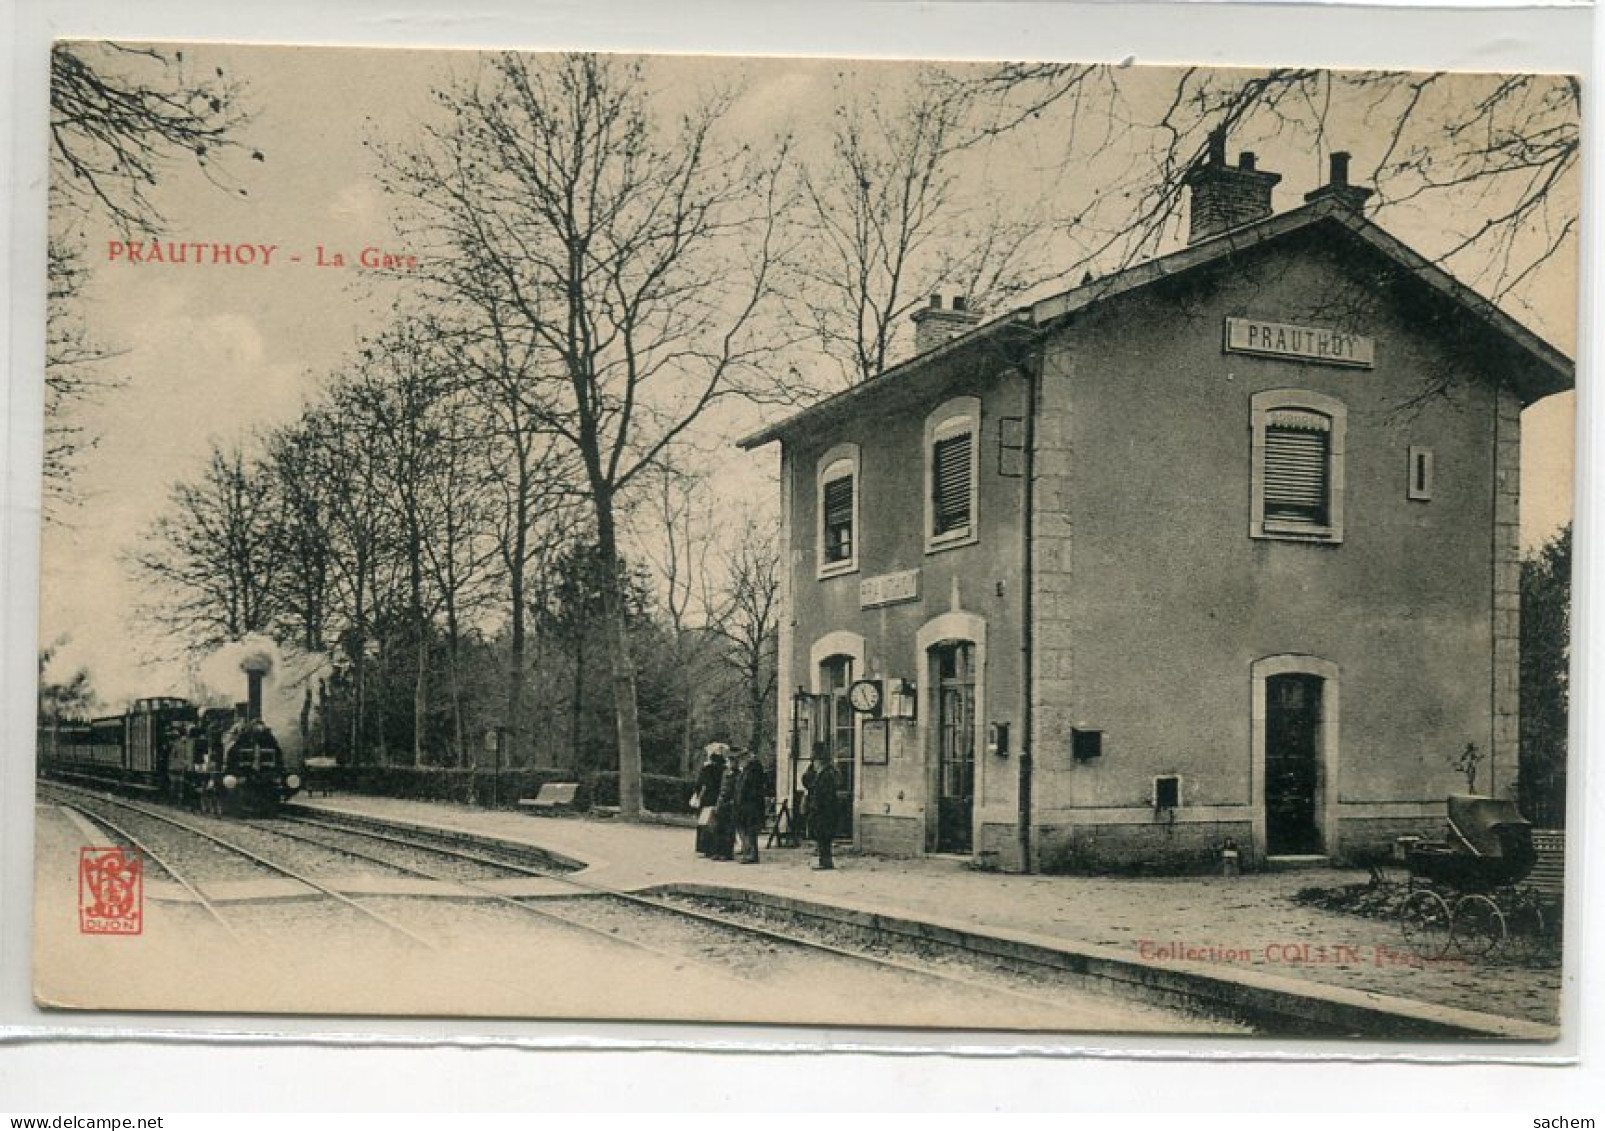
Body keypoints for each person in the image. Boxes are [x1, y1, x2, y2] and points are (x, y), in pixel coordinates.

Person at [805, 747, 839, 870]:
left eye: (814, 761)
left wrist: (817, 806)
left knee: (824, 837)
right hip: (823, 811)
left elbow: (824, 795)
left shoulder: (826, 775)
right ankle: (824, 860)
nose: (813, 764)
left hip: (824, 811)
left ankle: (825, 862)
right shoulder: (823, 773)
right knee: (822, 837)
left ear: (819, 761)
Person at [733, 747, 768, 864]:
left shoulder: (752, 770)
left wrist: (744, 799)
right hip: (746, 805)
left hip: (750, 806)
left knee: (750, 830)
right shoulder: (747, 770)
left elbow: (750, 789)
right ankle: (747, 851)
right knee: (746, 829)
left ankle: (751, 854)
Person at [691, 744, 727, 857]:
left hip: (708, 798)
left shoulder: (707, 768)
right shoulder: (724, 769)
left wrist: (698, 795)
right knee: (717, 823)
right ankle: (718, 848)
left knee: (705, 823)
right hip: (719, 797)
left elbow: (701, 784)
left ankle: (706, 848)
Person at [709, 747, 740, 861]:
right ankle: (717, 851)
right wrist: (718, 803)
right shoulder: (725, 773)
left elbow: (737, 790)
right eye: (730, 761)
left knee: (729, 830)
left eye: (733, 761)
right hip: (722, 802)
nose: (731, 763)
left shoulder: (738, 775)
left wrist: (733, 801)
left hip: (731, 804)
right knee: (718, 828)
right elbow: (721, 789)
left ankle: (727, 853)